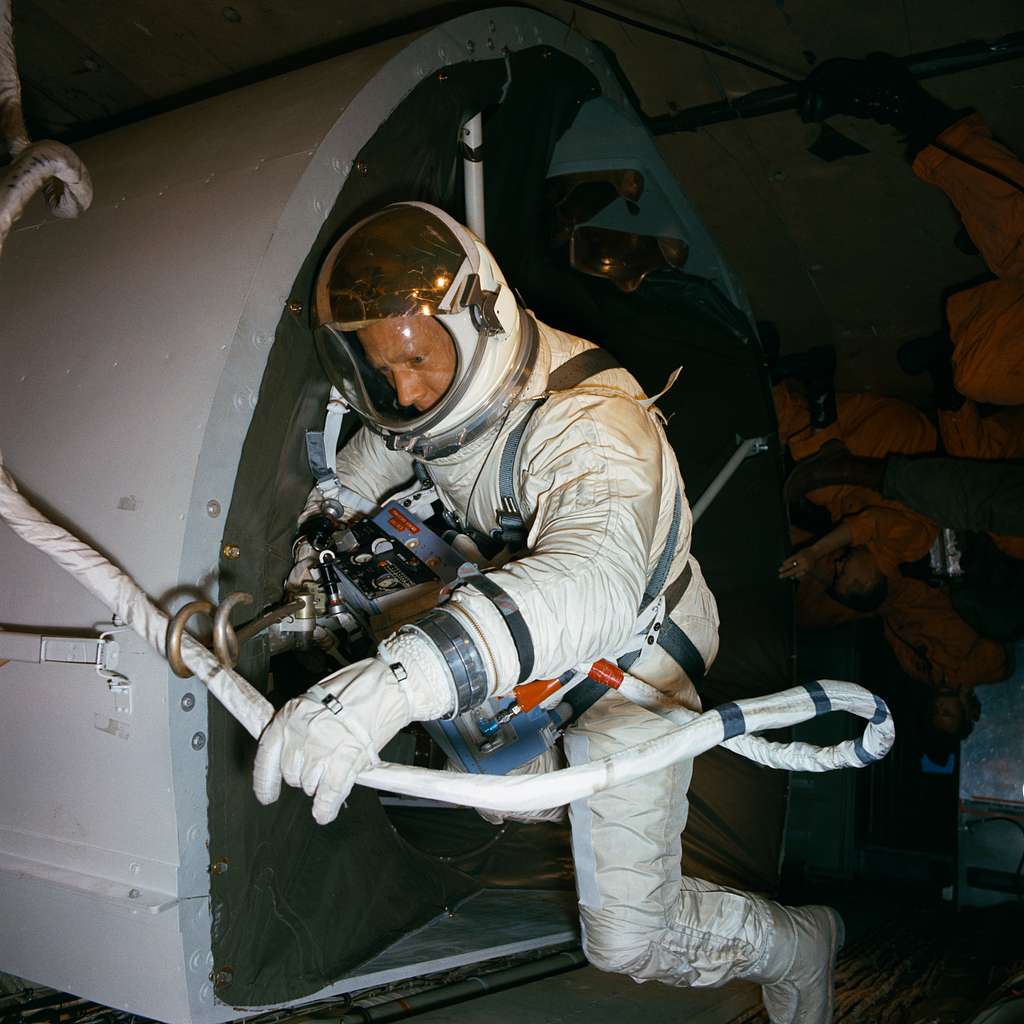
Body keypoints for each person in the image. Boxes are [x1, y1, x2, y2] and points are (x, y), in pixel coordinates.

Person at [251, 202, 844, 1023]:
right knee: (506, 789)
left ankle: (796, 944)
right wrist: (329, 522)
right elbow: (388, 447)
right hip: (531, 614)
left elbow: (589, 581)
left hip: (637, 665)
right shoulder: (444, 391)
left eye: (418, 362)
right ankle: (534, 768)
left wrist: (393, 685)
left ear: (478, 317)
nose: (407, 388)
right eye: (384, 370)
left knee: (628, 942)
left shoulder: (593, 424)